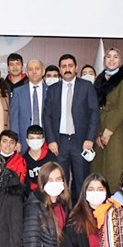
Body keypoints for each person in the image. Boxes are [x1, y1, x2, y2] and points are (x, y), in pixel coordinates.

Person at [43, 54, 99, 196]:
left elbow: (94, 113)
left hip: (81, 141)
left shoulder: (86, 87)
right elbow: (47, 116)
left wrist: (90, 139)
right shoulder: (53, 89)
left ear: (76, 68)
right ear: (60, 69)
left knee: (81, 181)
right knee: (59, 182)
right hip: (59, 142)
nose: (67, 69)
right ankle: (62, 209)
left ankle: (81, 209)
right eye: (64, 66)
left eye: (70, 66)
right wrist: (51, 140)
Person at [92, 48, 123, 194]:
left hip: (116, 130)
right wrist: (97, 133)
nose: (111, 59)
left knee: (114, 169)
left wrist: (107, 132)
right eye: (108, 56)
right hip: (99, 129)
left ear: (121, 60)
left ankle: (116, 202)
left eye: (115, 57)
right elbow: (95, 108)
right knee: (98, 170)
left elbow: (122, 108)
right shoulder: (99, 80)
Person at [10, 59, 47, 151]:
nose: (34, 72)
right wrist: (16, 140)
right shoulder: (18, 92)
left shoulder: (51, 91)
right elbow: (14, 119)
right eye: (30, 69)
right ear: (26, 73)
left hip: (46, 139)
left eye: (37, 69)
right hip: (24, 140)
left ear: (43, 71)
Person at [24, 125, 58, 193]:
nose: (35, 141)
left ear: (43, 140)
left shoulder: (51, 157)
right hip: (31, 194)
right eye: (32, 138)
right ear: (27, 140)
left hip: (49, 192)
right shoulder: (24, 159)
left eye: (38, 138)